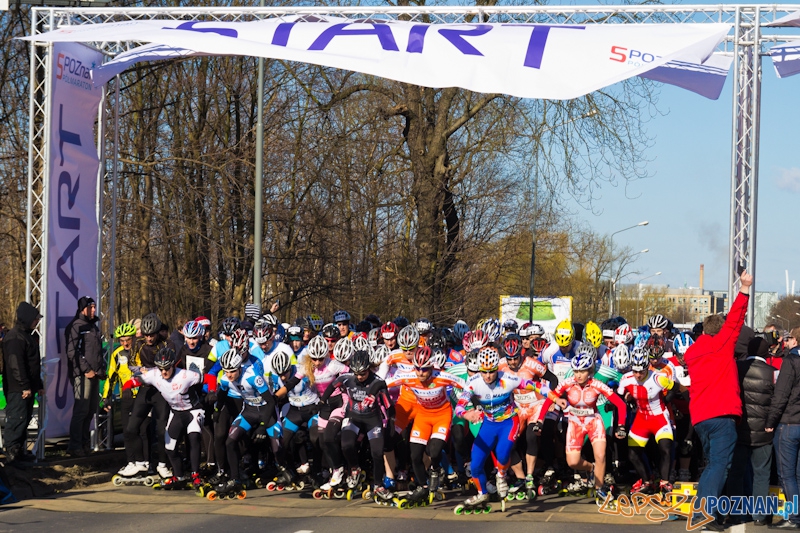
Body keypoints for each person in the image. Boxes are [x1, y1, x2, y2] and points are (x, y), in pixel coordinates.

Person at [684, 269, 752, 531]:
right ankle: (702, 514)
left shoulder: (693, 352)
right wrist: (744, 289)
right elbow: (735, 319)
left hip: (701, 418)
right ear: (719, 332)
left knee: (715, 466)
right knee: (718, 466)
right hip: (722, 414)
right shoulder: (721, 345)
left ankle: (710, 511)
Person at [727, 337, 775, 527]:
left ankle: (735, 512)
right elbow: (776, 402)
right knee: (761, 474)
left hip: (739, 429)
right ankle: (759, 515)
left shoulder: (736, 369)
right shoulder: (773, 373)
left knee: (736, 473)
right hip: (764, 432)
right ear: (765, 353)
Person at [765, 327, 800, 530]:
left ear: (795, 341)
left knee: (786, 475)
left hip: (788, 423)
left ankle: (794, 517)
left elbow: (781, 395)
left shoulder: (791, 361)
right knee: (797, 474)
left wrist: (770, 421)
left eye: (789, 339)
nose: (785, 343)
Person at [1, 302, 43, 463]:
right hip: (17, 388)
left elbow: (33, 363)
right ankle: (11, 452)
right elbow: (16, 364)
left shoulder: (28, 336)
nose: (37, 322)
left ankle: (19, 451)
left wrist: (38, 385)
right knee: (17, 419)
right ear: (27, 319)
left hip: (28, 387)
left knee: (24, 419)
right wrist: (24, 386)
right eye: (35, 319)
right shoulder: (14, 337)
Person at [65, 296, 104, 457]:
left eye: (95, 307)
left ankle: (84, 443)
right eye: (91, 307)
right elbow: (72, 351)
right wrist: (85, 369)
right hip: (82, 375)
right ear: (83, 309)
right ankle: (74, 446)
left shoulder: (93, 326)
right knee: (81, 410)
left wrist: (100, 370)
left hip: (95, 374)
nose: (94, 310)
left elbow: (97, 352)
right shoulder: (76, 326)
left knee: (90, 411)